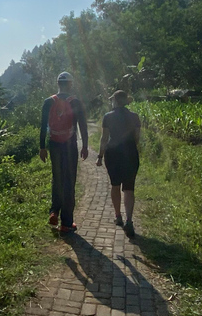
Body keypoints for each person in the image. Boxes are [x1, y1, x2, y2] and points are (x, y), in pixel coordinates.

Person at [39, 71, 89, 232]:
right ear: (70, 84)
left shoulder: (48, 102)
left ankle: (54, 211)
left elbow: (42, 127)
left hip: (54, 144)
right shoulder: (76, 102)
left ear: (58, 84)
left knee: (57, 177)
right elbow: (82, 126)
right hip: (69, 145)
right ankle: (66, 223)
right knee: (69, 181)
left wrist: (42, 147)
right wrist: (85, 146)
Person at [96, 89, 141, 238]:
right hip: (130, 154)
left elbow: (104, 138)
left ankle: (118, 216)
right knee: (129, 188)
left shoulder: (108, 117)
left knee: (115, 185)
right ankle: (129, 219)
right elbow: (137, 138)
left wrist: (100, 156)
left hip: (113, 154)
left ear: (115, 101)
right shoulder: (134, 117)